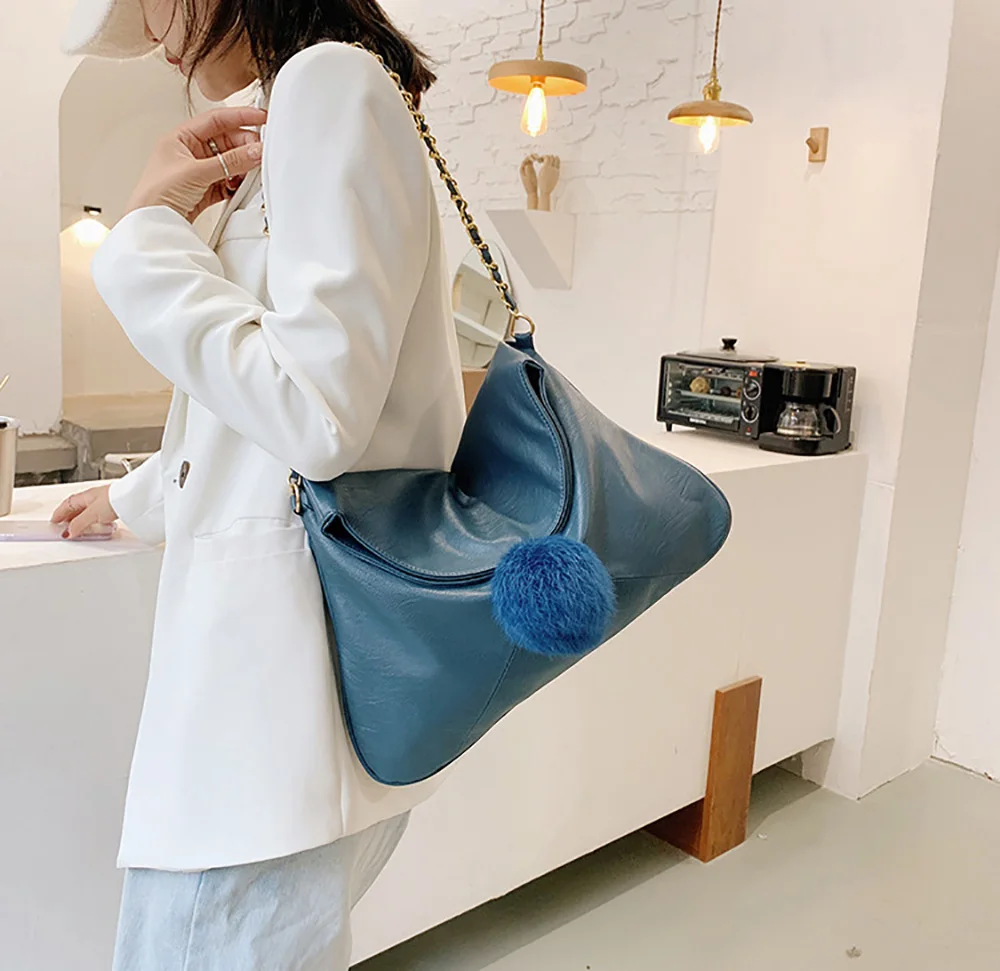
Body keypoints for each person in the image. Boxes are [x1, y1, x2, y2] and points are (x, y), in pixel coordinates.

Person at [54, 1, 466, 967]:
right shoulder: (316, 98)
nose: (157, 41)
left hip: (271, 709)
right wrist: (137, 495)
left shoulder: (330, 82)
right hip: (283, 710)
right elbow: (266, 414)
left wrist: (147, 233)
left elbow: (318, 414)